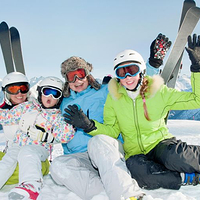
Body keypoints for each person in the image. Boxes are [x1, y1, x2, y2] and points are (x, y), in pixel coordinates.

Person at [64, 34, 200, 191]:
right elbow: (112, 130)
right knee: (137, 172)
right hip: (135, 153)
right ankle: (184, 178)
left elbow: (197, 99)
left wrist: (197, 69)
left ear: (141, 70)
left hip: (160, 143)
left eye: (132, 70)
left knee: (175, 157)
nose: (128, 77)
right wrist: (89, 126)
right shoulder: (114, 98)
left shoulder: (158, 92)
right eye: (122, 73)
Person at [50, 34, 171, 200]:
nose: (77, 80)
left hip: (107, 150)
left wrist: (153, 64)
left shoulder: (105, 91)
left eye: (80, 73)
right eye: (72, 76)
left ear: (88, 74)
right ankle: (104, 193)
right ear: (67, 80)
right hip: (81, 158)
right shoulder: (63, 102)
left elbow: (134, 84)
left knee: (97, 141)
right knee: (58, 165)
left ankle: (128, 195)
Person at [0, 76, 75, 200]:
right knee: (7, 161)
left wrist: (47, 136)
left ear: (60, 98)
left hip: (39, 149)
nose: (50, 97)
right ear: (40, 93)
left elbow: (66, 134)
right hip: (17, 145)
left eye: (55, 94)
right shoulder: (28, 106)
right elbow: (7, 116)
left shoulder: (58, 117)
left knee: (27, 152)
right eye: (47, 92)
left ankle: (31, 185)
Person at [0, 72, 49, 186]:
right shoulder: (6, 110)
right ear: (6, 92)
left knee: (12, 166)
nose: (19, 93)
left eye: (23, 88)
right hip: (14, 150)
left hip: (34, 154)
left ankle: (30, 184)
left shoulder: (34, 106)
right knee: (8, 162)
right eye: (13, 89)